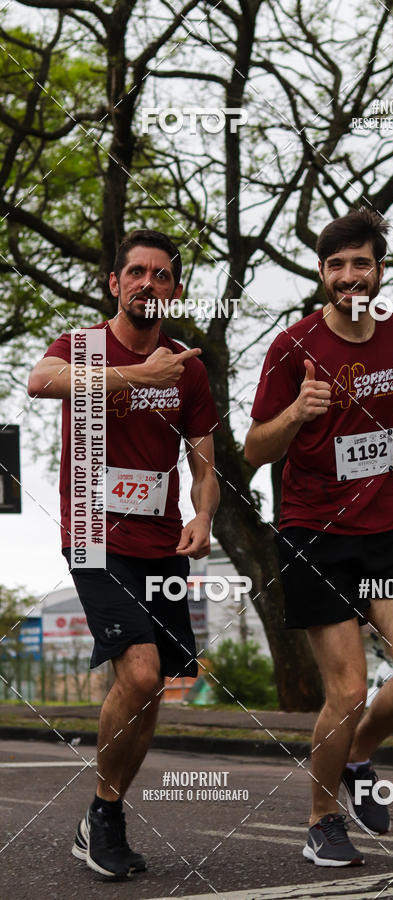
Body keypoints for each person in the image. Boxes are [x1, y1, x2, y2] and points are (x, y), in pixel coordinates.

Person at [245, 207, 393, 867]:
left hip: (383, 530)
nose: (349, 275)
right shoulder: (292, 347)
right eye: (336, 265)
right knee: (347, 691)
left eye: (361, 263)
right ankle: (322, 819)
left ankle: (357, 753)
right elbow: (254, 448)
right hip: (312, 534)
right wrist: (296, 411)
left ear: (380, 270)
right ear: (323, 274)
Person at [27, 229, 220, 879]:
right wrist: (136, 374)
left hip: (161, 542)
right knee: (137, 676)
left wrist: (205, 511)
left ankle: (101, 812)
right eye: (135, 272)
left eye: (161, 275)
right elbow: (40, 379)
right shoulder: (82, 347)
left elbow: (203, 464)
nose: (147, 283)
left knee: (154, 688)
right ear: (114, 283)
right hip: (92, 533)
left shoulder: (189, 368)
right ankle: (106, 817)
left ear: (175, 290)